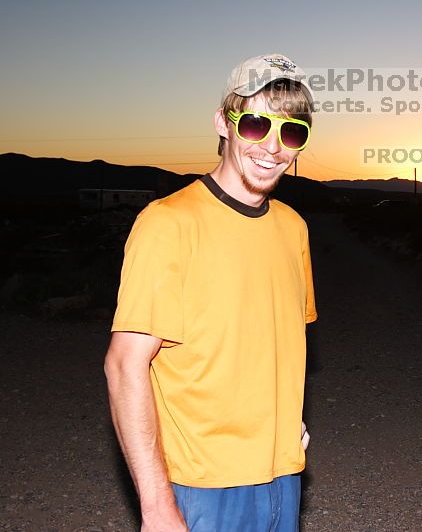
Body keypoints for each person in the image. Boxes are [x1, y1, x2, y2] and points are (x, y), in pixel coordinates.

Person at [104, 53, 317, 532]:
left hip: (283, 475)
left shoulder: (293, 228)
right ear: (224, 122)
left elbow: (270, 343)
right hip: (200, 486)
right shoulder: (168, 223)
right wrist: (158, 507)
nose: (273, 147)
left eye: (292, 132)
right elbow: (124, 364)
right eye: (257, 124)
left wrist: (285, 423)